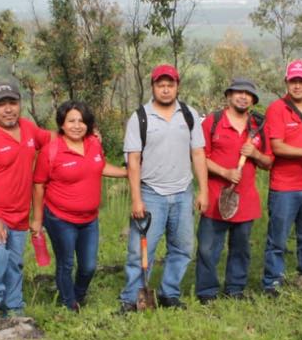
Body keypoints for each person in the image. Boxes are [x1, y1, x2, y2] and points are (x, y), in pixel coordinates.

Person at [119, 64, 208, 312]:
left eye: (170, 85)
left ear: (177, 87)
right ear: (153, 87)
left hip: (183, 192)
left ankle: (170, 293)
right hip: (151, 193)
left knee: (182, 249)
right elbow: (133, 160)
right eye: (161, 85)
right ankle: (131, 299)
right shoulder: (140, 117)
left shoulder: (189, 115)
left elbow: (198, 153)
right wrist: (136, 199)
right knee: (139, 251)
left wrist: (204, 190)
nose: (166, 89)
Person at [0, 81, 52, 320]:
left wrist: (86, 134)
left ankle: (14, 309)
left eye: (12, 103)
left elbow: (52, 139)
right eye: (1, 104)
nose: (8, 109)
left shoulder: (28, 128)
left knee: (14, 262)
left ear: (19, 104)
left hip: (20, 211)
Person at [30, 101, 127, 311]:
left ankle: (78, 295)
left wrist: (127, 172)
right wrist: (37, 220)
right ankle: (69, 304)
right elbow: (38, 185)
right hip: (60, 218)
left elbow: (100, 166)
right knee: (66, 263)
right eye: (71, 121)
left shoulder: (93, 143)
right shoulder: (51, 151)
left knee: (89, 266)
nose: (77, 126)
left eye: (81, 121)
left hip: (89, 219)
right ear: (61, 124)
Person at [194, 78, 272, 303]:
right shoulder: (213, 121)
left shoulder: (258, 126)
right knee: (208, 248)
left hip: (245, 200)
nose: (243, 97)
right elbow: (199, 157)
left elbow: (268, 162)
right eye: (238, 92)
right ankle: (207, 292)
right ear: (229, 96)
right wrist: (225, 172)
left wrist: (255, 154)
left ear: (253, 100)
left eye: (248, 94)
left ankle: (235, 289)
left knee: (241, 248)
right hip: (215, 197)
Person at [262, 59, 302, 295]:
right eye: (293, 81)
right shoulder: (277, 109)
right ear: (286, 82)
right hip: (285, 186)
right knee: (277, 239)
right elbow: (277, 146)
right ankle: (272, 282)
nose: (297, 86)